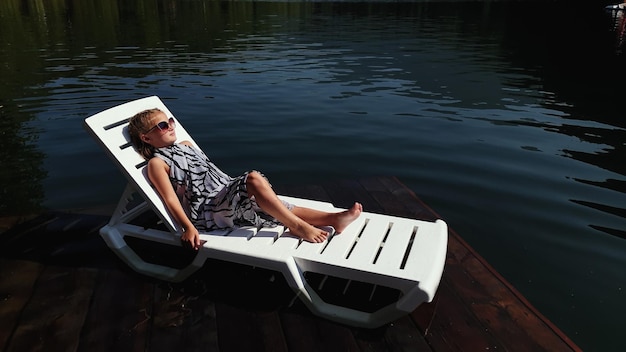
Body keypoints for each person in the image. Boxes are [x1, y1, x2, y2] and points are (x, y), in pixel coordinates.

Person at [128, 108, 362, 250]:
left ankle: (334, 219)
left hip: (224, 194)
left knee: (273, 203)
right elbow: (171, 200)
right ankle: (297, 226)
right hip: (209, 210)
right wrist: (188, 228)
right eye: (161, 126)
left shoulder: (186, 145)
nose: (169, 126)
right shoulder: (157, 164)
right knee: (253, 179)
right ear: (146, 138)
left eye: (169, 121)